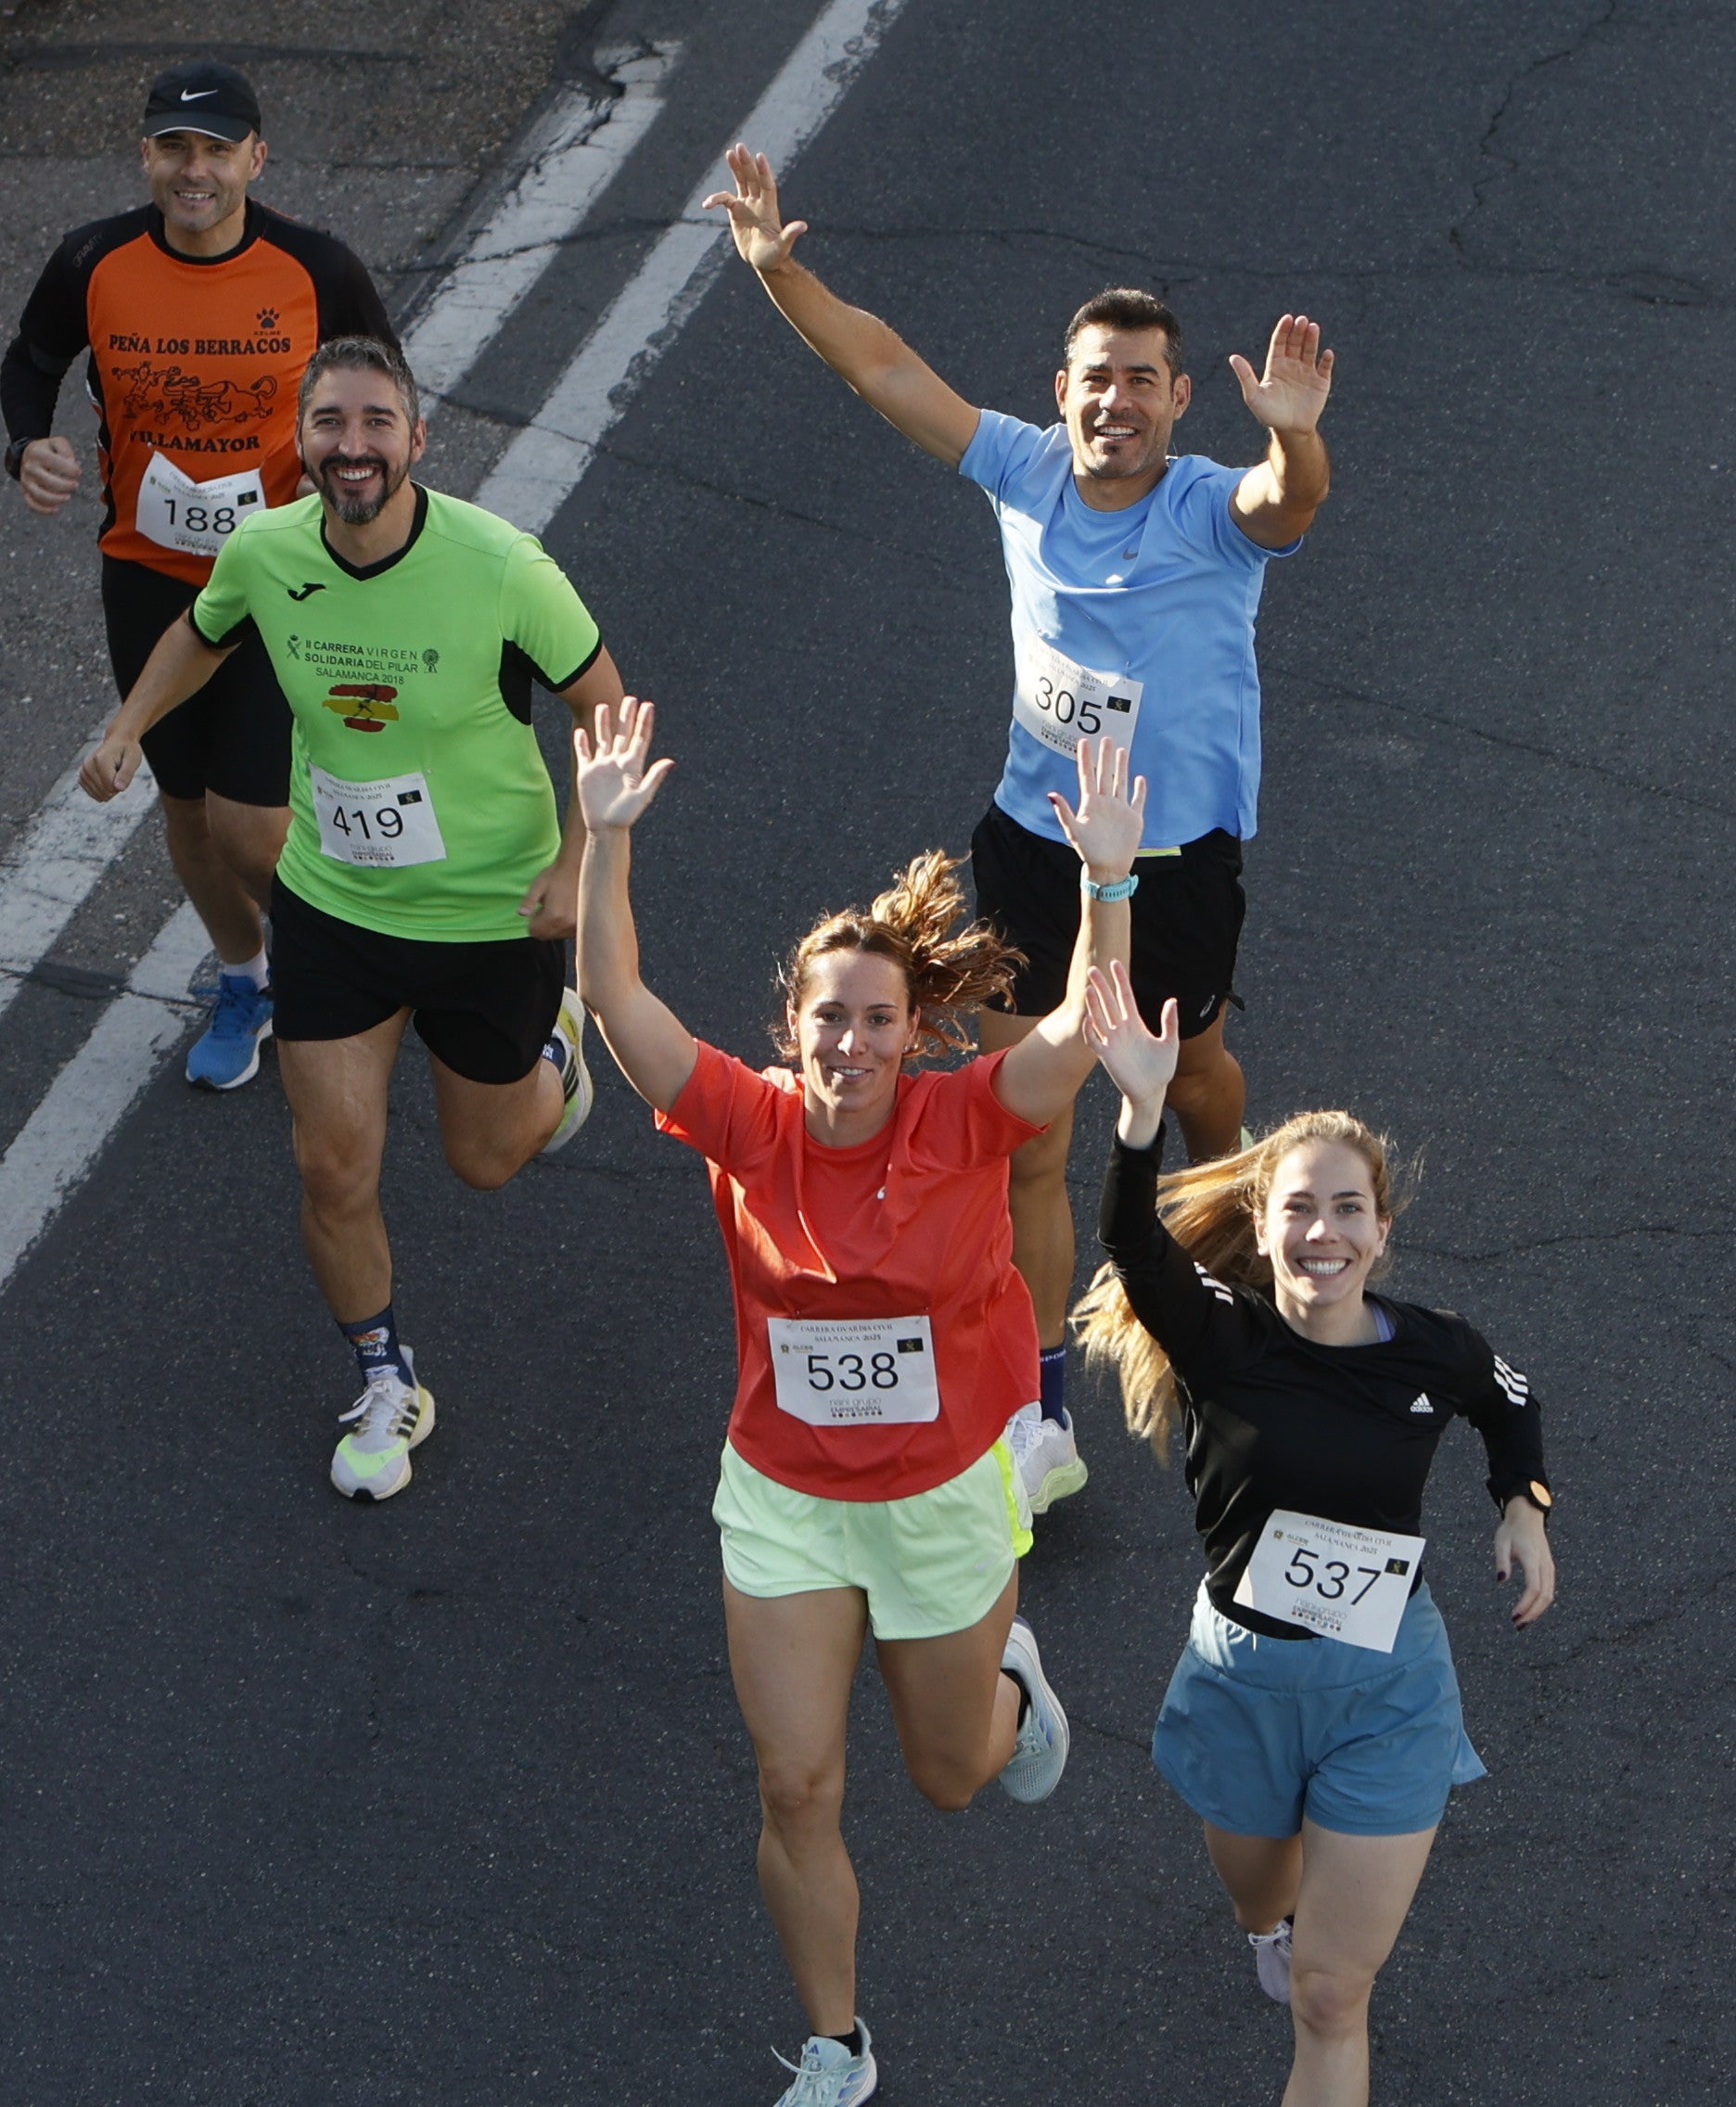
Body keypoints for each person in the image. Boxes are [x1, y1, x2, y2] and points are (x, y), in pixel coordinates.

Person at [707, 141, 1335, 1515]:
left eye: (1143, 381)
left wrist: (1292, 427)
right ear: (1064, 394)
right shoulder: (1023, 470)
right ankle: (1044, 1408)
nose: (1118, 400)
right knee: (1030, 1138)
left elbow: (1287, 500)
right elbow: (884, 371)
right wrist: (780, 271)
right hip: (1029, 847)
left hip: (1171, 868)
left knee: (1192, 1081)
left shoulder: (1208, 511)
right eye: (1094, 378)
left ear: (1180, 401)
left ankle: (1226, 1210)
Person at [572, 708, 1145, 2107]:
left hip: (944, 1499)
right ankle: (838, 2043)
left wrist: (1109, 882)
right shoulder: (745, 1125)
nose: (852, 1040)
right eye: (829, 1016)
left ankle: (1013, 1688)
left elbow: (1081, 1030)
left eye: (879, 1019)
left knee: (954, 1779)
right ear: (794, 1026)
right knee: (797, 1788)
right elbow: (617, 1005)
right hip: (785, 1505)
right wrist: (601, 843)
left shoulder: (962, 1120)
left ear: (911, 1033)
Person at [76, 336, 614, 1501]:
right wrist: (127, 728)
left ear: (418, 442)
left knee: (484, 1159)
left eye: (377, 423)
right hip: (335, 905)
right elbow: (198, 634)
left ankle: (557, 1049)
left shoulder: (504, 567)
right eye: (330, 423)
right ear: (302, 442)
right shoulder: (267, 552)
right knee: (331, 1165)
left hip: (488, 914)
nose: (352, 445)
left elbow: (610, 709)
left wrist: (580, 863)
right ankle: (385, 1378)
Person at [1071, 974, 1556, 2107]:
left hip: (1388, 1684)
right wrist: (1141, 1116)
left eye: (1347, 1208)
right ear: (1262, 1224)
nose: (1323, 1231)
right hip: (1244, 1676)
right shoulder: (1219, 1336)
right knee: (1259, 1899)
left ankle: (1314, 1963)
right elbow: (1131, 1241)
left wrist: (1521, 1503)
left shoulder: (1434, 1349)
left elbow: (1508, 1396)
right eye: (1298, 1207)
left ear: (1381, 1228)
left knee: (1332, 1996)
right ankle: (1275, 1919)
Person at [4, 60, 399, 1089]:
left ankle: (371, 967)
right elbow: (31, 360)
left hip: (282, 581)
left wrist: (366, 509)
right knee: (184, 814)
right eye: (175, 148)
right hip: (145, 575)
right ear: (146, 155)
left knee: (251, 824)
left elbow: (381, 392)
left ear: (254, 160)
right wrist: (25, 446)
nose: (194, 171)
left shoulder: (316, 270)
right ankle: (247, 979)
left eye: (216, 150)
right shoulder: (92, 261)